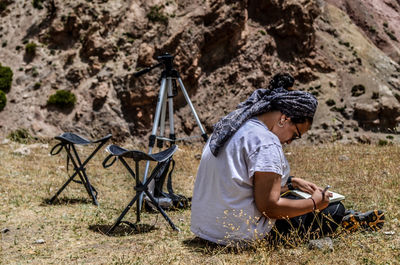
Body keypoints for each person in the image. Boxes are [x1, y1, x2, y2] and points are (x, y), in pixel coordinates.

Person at [190, 73, 384, 246]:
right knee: (333, 209)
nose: (290, 142)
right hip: (239, 234)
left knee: (295, 199)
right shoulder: (267, 143)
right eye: (296, 134)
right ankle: (342, 219)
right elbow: (270, 208)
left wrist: (290, 183)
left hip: (206, 230)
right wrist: (314, 203)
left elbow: (240, 184)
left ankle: (343, 218)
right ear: (285, 119)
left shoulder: (234, 125)